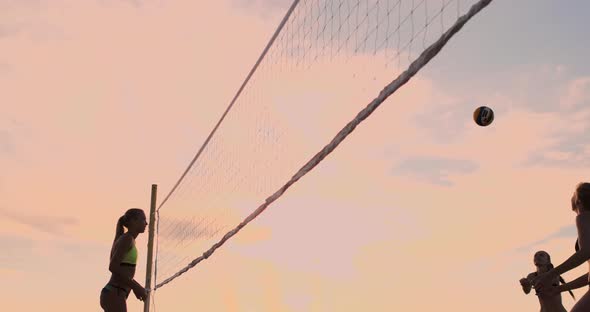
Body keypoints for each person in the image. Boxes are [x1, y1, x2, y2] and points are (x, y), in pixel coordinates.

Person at [534, 182, 590, 312]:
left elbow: (585, 252)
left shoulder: (583, 217)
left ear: (578, 201)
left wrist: (550, 274)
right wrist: (558, 289)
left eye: (573, 194)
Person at [100, 208, 149, 311]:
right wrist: (136, 287)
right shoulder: (127, 239)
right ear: (133, 221)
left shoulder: (128, 239)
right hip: (114, 292)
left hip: (115, 293)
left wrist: (134, 287)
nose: (146, 223)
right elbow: (113, 267)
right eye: (143, 219)